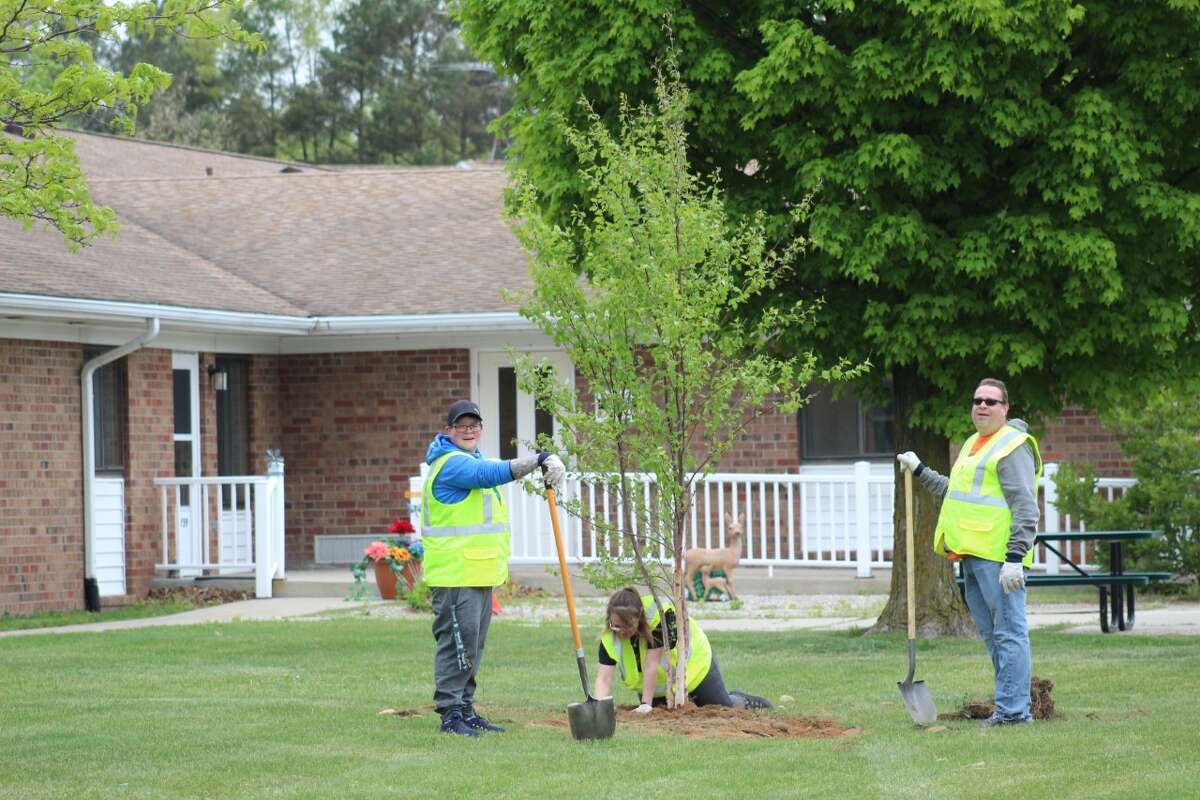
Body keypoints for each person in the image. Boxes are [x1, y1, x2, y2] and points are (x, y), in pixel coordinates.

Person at [896, 378, 1042, 727]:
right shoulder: (975, 444)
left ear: (1006, 408)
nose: (983, 406)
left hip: (999, 558)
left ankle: (1014, 713)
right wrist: (920, 470)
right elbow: (956, 492)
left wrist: (1014, 558)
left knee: (1009, 632)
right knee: (995, 636)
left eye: (992, 401)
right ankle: (1010, 707)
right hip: (972, 556)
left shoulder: (1011, 446)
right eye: (977, 400)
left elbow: (1025, 506)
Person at [422, 398, 566, 737]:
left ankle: (466, 709)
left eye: (474, 425)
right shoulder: (451, 464)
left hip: (477, 572)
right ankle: (450, 713)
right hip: (455, 574)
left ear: (481, 429)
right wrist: (538, 459)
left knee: (473, 645)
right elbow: (488, 475)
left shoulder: (470, 459)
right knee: (458, 645)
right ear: (448, 430)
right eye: (461, 425)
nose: (469, 430)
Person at [594, 587, 771, 712]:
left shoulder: (660, 618)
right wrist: (598, 709)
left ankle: (740, 699)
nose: (620, 631)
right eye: (615, 625)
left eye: (626, 626)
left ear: (638, 620)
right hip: (658, 687)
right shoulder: (609, 639)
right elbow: (603, 679)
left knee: (721, 708)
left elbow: (651, 664)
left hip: (695, 668)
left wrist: (646, 704)